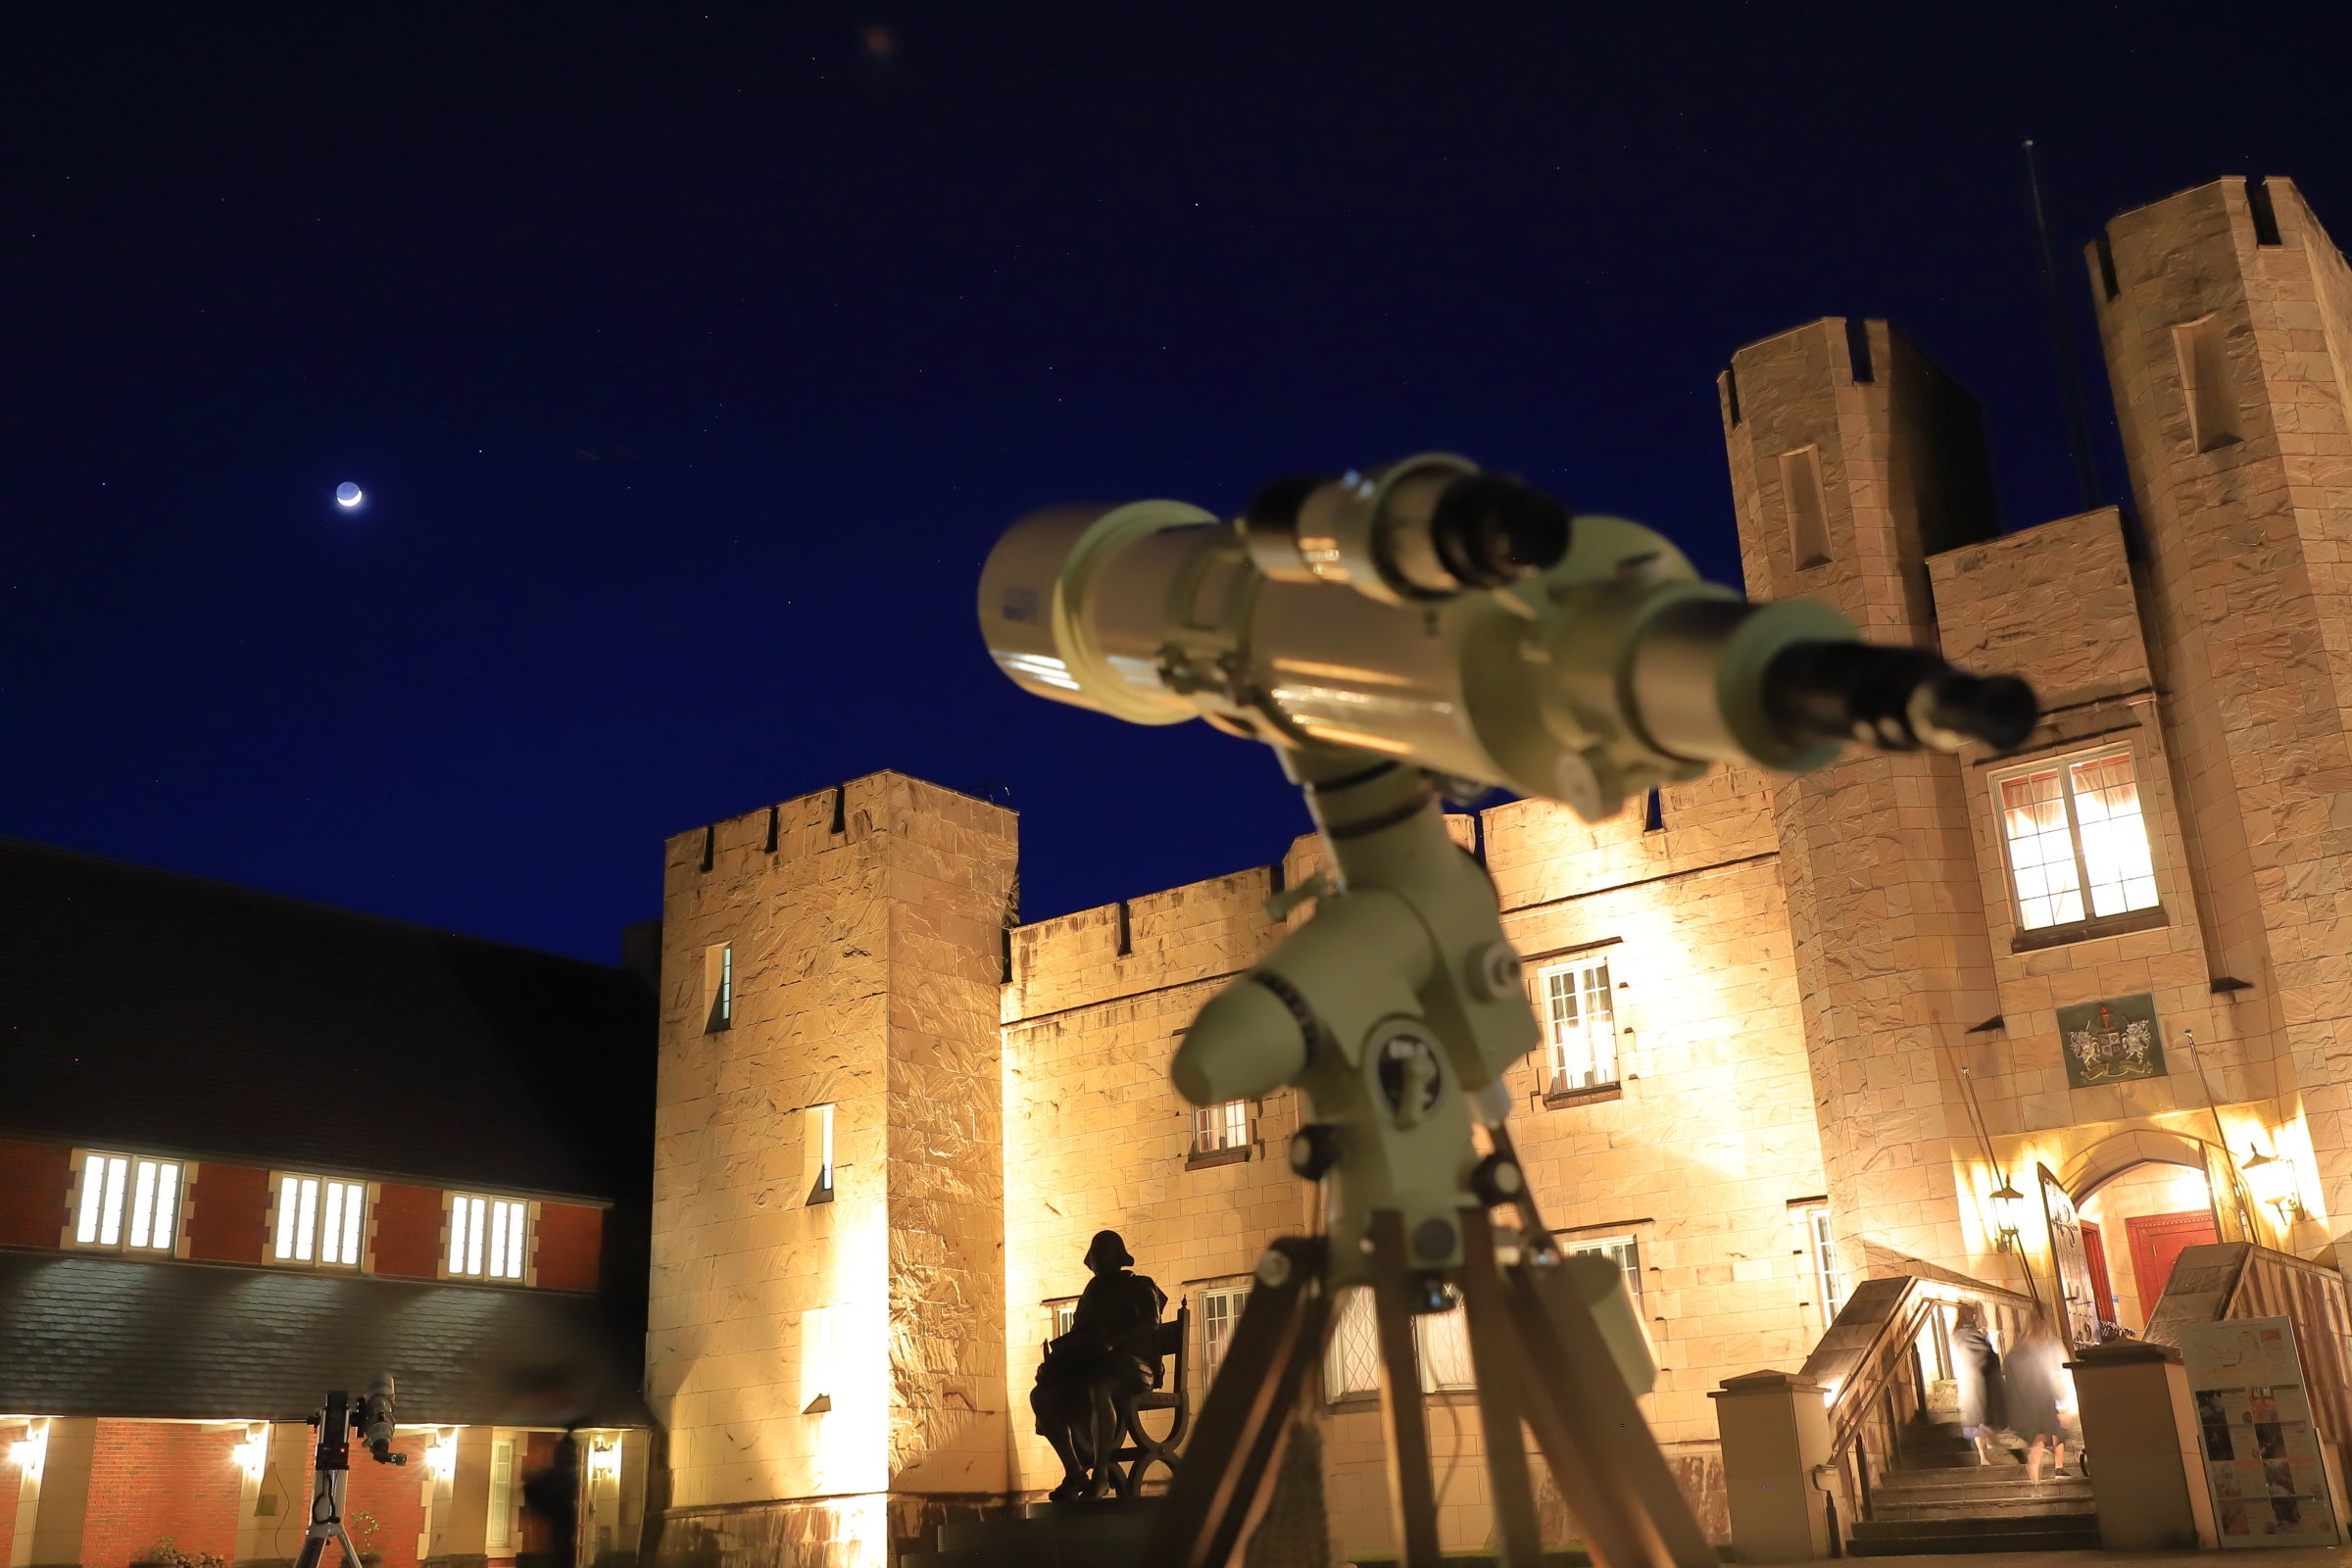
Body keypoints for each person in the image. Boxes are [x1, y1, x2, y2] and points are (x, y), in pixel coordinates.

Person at [1031, 1229, 1167, 1500]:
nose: (1096, 1260)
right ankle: (1074, 1471)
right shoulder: (1092, 1292)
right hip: (1094, 1366)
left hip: (1134, 1367)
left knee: (1099, 1388)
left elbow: (1151, 1323)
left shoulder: (1138, 1285)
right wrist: (1059, 1356)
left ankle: (1101, 1475)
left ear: (1117, 1257)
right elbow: (1082, 1332)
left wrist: (1115, 1342)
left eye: (1102, 1253)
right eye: (1094, 1254)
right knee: (1043, 1395)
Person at [2004, 1311, 2072, 1481]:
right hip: (2049, 1395)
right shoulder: (2052, 1345)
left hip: (2029, 1399)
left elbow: (2009, 1368)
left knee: (2039, 1434)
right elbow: (2060, 1371)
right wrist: (2065, 1401)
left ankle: (2034, 1471)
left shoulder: (2020, 1348)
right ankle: (2059, 1468)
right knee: (2058, 1431)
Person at [1951, 1300, 2007, 1465]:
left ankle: (1984, 1453)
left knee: (1975, 1417)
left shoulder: (1959, 1334)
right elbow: (1985, 1354)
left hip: (1969, 1382)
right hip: (1978, 1382)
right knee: (1982, 1415)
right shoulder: (1969, 1334)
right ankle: (1985, 1450)